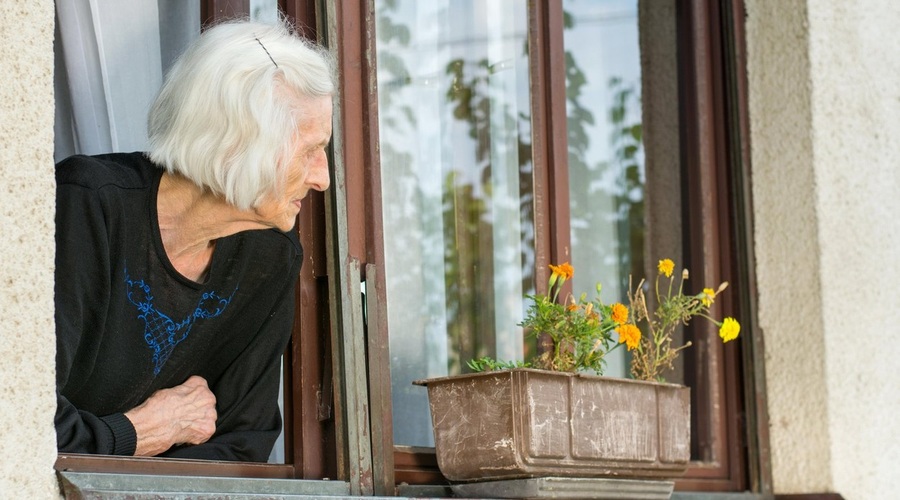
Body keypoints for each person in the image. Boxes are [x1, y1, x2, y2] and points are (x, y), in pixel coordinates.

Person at [53, 19, 334, 462]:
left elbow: (243, 447)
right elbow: (18, 419)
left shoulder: (270, 257)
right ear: (236, 143)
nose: (323, 178)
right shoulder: (89, 207)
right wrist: (137, 434)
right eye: (308, 151)